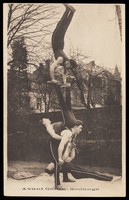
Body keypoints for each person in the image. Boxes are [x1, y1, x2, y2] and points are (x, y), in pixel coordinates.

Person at [42, 117, 83, 190]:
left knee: (63, 161)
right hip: (53, 143)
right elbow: (60, 146)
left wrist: (67, 157)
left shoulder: (74, 134)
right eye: (80, 128)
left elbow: (68, 146)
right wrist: (60, 158)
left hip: (60, 142)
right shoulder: (68, 132)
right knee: (57, 162)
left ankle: (65, 178)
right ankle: (57, 184)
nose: (81, 130)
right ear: (75, 127)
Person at [51, 4, 78, 87]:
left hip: (61, 44)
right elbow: (52, 67)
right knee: (61, 25)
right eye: (68, 66)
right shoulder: (61, 59)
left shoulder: (65, 64)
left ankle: (71, 12)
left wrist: (65, 83)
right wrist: (53, 79)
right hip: (56, 41)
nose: (66, 67)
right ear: (69, 62)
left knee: (63, 27)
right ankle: (67, 10)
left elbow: (64, 74)